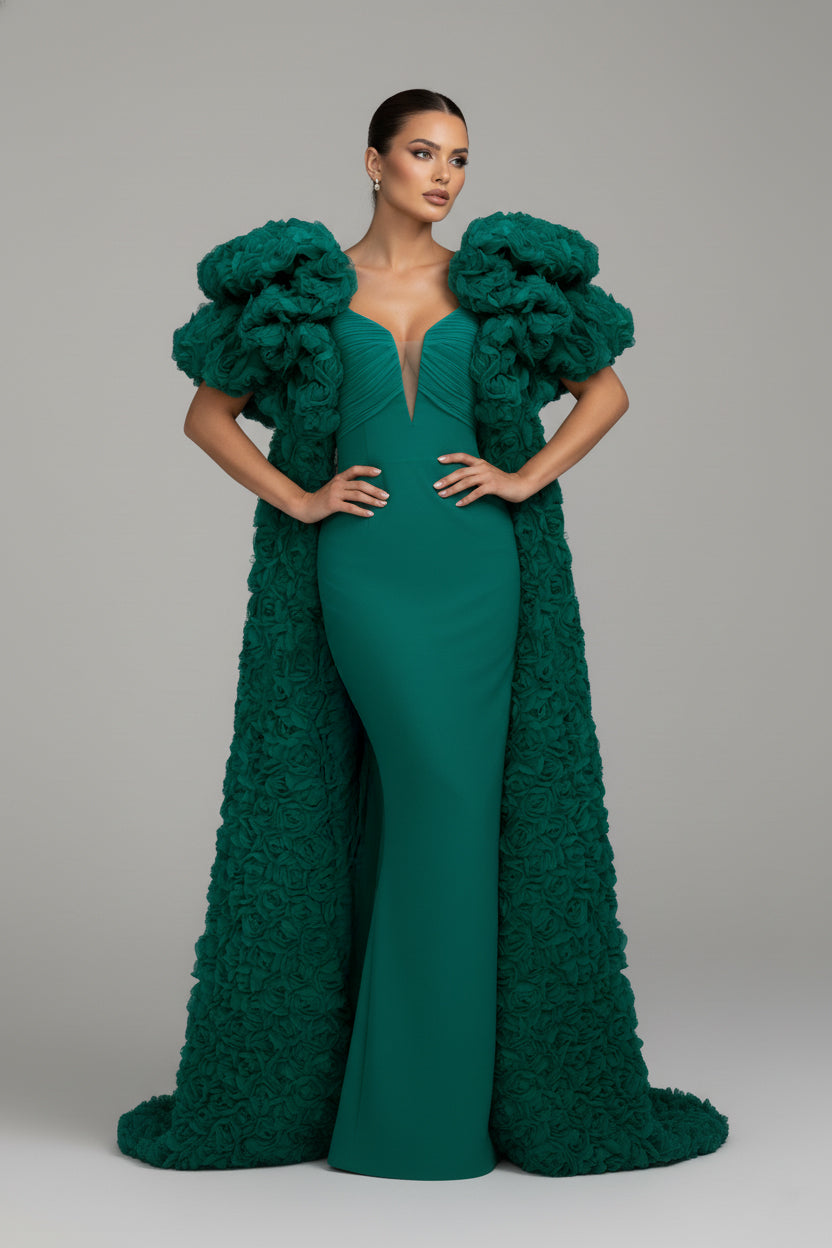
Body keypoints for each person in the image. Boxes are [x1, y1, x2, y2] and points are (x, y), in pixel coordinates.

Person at [117, 89, 729, 1180]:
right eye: (421, 152)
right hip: (361, 576)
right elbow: (207, 414)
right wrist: (299, 497)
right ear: (373, 161)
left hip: (479, 575)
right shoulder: (308, 293)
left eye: (458, 158)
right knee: (420, 799)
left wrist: (524, 476)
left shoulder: (495, 288)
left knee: (451, 811)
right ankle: (403, 1109)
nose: (443, 175)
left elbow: (605, 393)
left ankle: (426, 1107)